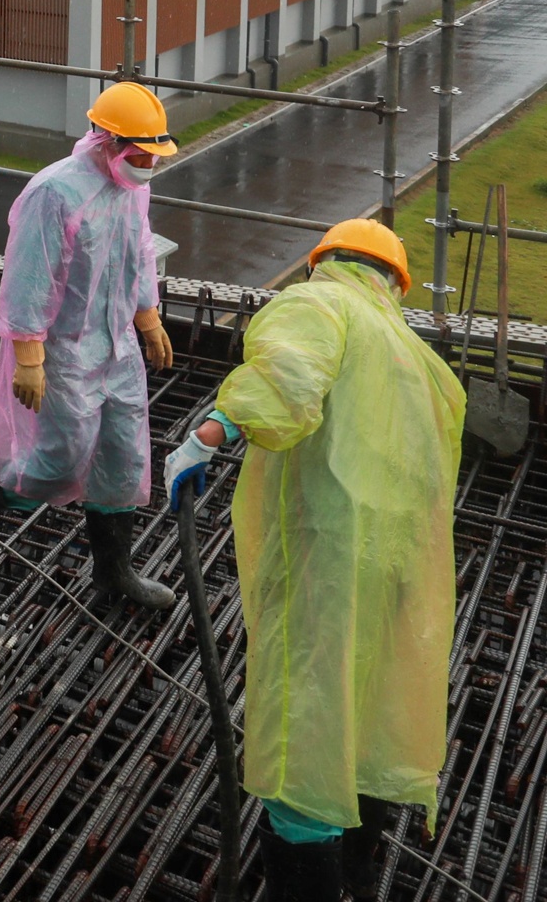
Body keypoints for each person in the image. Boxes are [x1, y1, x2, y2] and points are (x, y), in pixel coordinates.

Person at [163, 220, 463, 901]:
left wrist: (209, 434)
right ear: (395, 281)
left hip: (328, 561)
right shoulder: (421, 361)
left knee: (306, 723)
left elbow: (289, 380)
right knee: (367, 711)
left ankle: (307, 872)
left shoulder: (320, 301)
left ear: (322, 263)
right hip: (399, 569)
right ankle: (357, 873)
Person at [0, 81, 179, 609]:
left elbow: (139, 252)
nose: (149, 165)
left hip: (116, 347)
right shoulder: (55, 192)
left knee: (121, 460)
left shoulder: (132, 188)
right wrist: (28, 356)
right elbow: (31, 275)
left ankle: (113, 572)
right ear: (109, 141)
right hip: (63, 351)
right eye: (142, 154)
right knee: (58, 459)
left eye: (154, 155)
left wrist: (147, 316)